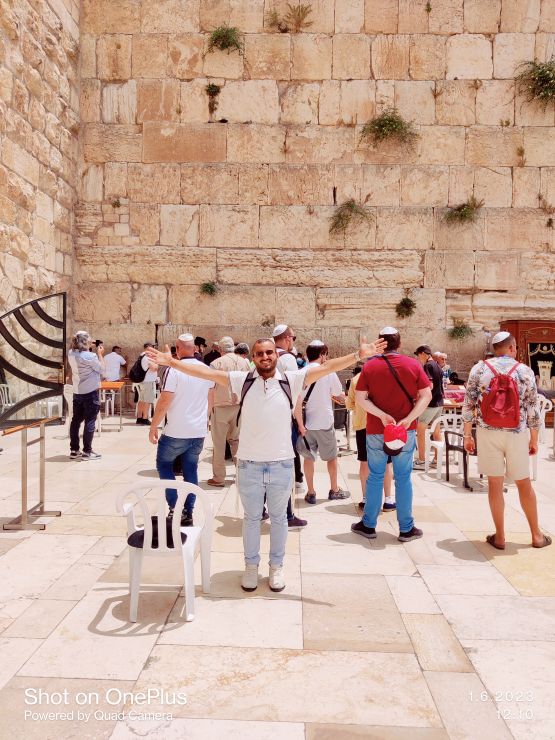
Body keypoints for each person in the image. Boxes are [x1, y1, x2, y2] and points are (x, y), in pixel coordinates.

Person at [146, 334, 386, 593]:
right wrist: (173, 363)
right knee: (251, 519)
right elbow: (206, 374)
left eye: (269, 352)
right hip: (249, 464)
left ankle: (276, 567)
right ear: (253, 358)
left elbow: (327, 367)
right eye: (259, 353)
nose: (265, 357)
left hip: (281, 464)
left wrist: (358, 355)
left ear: (276, 355)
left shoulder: (291, 380)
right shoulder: (242, 380)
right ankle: (251, 567)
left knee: (279, 519)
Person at [462, 331, 551, 550]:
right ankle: (536, 535)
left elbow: (469, 404)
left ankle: (500, 537)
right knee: (523, 483)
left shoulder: (479, 369)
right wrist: (534, 438)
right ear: (512, 348)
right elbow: (532, 407)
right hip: (516, 432)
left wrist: (467, 435)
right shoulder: (524, 370)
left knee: (495, 483)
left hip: (487, 431)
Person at [352, 327, 432, 542]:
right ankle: (406, 528)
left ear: (380, 343)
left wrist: (381, 415)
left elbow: (360, 398)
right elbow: (426, 395)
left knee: (375, 476)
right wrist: (409, 418)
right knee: (403, 477)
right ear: (400, 343)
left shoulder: (370, 366)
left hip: (377, 430)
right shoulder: (413, 364)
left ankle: (369, 524)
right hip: (406, 430)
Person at [149, 333, 214, 526]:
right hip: (198, 431)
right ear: (195, 349)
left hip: (176, 431)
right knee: (190, 470)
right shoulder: (206, 370)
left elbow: (165, 401)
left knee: (164, 465)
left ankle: (174, 508)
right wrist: (205, 421)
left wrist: (153, 426)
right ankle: (187, 512)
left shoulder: (174, 370)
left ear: (177, 349)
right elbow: (210, 400)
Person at [296, 340, 350, 504]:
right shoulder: (328, 372)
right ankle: (334, 489)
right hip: (325, 422)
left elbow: (297, 400)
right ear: (322, 355)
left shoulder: (301, 372)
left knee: (308, 458)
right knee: (331, 458)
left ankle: (311, 492)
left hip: (307, 424)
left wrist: (300, 424)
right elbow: (337, 393)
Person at [273, 324, 308, 529]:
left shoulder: (263, 357)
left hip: (265, 419)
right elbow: (296, 395)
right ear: (287, 338)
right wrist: (300, 423)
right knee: (284, 467)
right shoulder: (287, 359)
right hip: (284, 420)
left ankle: (262, 510)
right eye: (293, 338)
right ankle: (287, 515)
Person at [346, 366, 395, 512]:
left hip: (363, 425)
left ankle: (366, 499)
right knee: (387, 463)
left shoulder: (356, 379)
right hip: (383, 426)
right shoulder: (387, 376)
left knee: (365, 462)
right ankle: (388, 499)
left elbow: (349, 403)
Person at [206, 336, 250, 487]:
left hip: (220, 406)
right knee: (236, 441)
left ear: (220, 349)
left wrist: (208, 412)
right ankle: (242, 475)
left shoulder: (216, 363)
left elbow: (211, 388)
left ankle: (219, 478)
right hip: (238, 407)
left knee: (218, 444)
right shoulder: (245, 362)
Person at [68, 330, 105, 460]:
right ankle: (87, 452)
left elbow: (79, 350)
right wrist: (100, 354)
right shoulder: (91, 356)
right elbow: (102, 369)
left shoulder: (71, 353)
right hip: (90, 392)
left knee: (75, 421)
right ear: (85, 342)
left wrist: (88, 345)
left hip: (77, 392)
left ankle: (74, 450)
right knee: (90, 421)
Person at [413, 344, 444, 469]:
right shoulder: (437, 365)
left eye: (418, 356)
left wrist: (419, 396)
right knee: (437, 431)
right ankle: (437, 460)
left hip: (430, 404)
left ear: (423, 354)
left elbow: (429, 385)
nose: (418, 358)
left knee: (420, 430)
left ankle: (421, 460)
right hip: (439, 403)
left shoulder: (428, 366)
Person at [136, 342, 158, 426]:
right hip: (148, 381)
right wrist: (156, 363)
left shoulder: (142, 355)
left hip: (143, 381)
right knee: (147, 400)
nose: (154, 349)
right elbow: (154, 368)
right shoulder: (148, 357)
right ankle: (145, 418)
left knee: (142, 400)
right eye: (153, 347)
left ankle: (139, 417)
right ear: (149, 348)